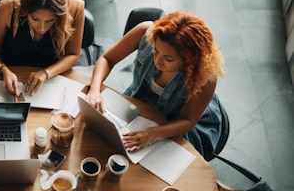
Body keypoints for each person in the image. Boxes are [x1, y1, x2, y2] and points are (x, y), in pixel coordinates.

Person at [87, 10, 226, 160]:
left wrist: (153, 133)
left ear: (189, 60)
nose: (158, 61)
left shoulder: (206, 78)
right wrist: (95, 89)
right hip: (137, 103)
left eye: (168, 58)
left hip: (174, 123)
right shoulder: (145, 31)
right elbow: (107, 59)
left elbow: (188, 121)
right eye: (155, 51)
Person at [0, 0, 85, 97]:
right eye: (35, 19)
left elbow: (73, 54)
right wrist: (3, 70)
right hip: (9, 76)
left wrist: (46, 73)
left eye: (50, 21)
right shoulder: (8, 6)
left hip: (50, 82)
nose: (42, 28)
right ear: (25, 10)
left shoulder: (76, 8)